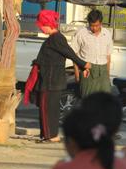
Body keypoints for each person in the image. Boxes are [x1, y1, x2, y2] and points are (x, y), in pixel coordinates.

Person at [34, 10, 89, 143]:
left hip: (50, 81)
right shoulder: (56, 38)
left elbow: (69, 53)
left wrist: (84, 65)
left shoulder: (55, 39)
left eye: (42, 25)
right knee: (51, 109)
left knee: (46, 109)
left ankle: (48, 136)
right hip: (53, 79)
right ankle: (52, 135)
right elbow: (68, 53)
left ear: (49, 24)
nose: (41, 27)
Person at [72, 9, 113, 98]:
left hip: (103, 71)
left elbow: (108, 57)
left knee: (105, 100)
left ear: (101, 23)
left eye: (96, 25)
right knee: (87, 100)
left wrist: (108, 75)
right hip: (87, 70)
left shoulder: (107, 34)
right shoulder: (81, 33)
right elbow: (74, 55)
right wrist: (77, 75)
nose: (94, 28)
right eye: (91, 25)